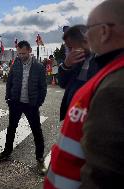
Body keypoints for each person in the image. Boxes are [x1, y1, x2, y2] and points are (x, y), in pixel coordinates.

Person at [44, 1, 124, 188]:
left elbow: (103, 174)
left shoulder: (114, 85)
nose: (87, 36)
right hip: (76, 117)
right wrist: (67, 65)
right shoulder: (84, 58)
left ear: (104, 31)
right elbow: (63, 83)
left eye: (90, 29)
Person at [0, 40, 47, 176]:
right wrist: (8, 97)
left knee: (37, 131)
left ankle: (40, 159)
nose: (21, 56)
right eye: (19, 53)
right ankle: (7, 152)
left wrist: (38, 103)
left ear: (29, 50)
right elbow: (10, 82)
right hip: (16, 103)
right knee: (11, 128)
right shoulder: (16, 64)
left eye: (23, 53)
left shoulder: (39, 67)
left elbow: (43, 88)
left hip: (31, 105)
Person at [58, 25, 95, 121]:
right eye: (69, 48)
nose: (72, 51)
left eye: (75, 46)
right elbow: (62, 84)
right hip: (72, 113)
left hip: (92, 118)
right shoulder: (76, 60)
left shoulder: (101, 60)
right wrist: (66, 65)